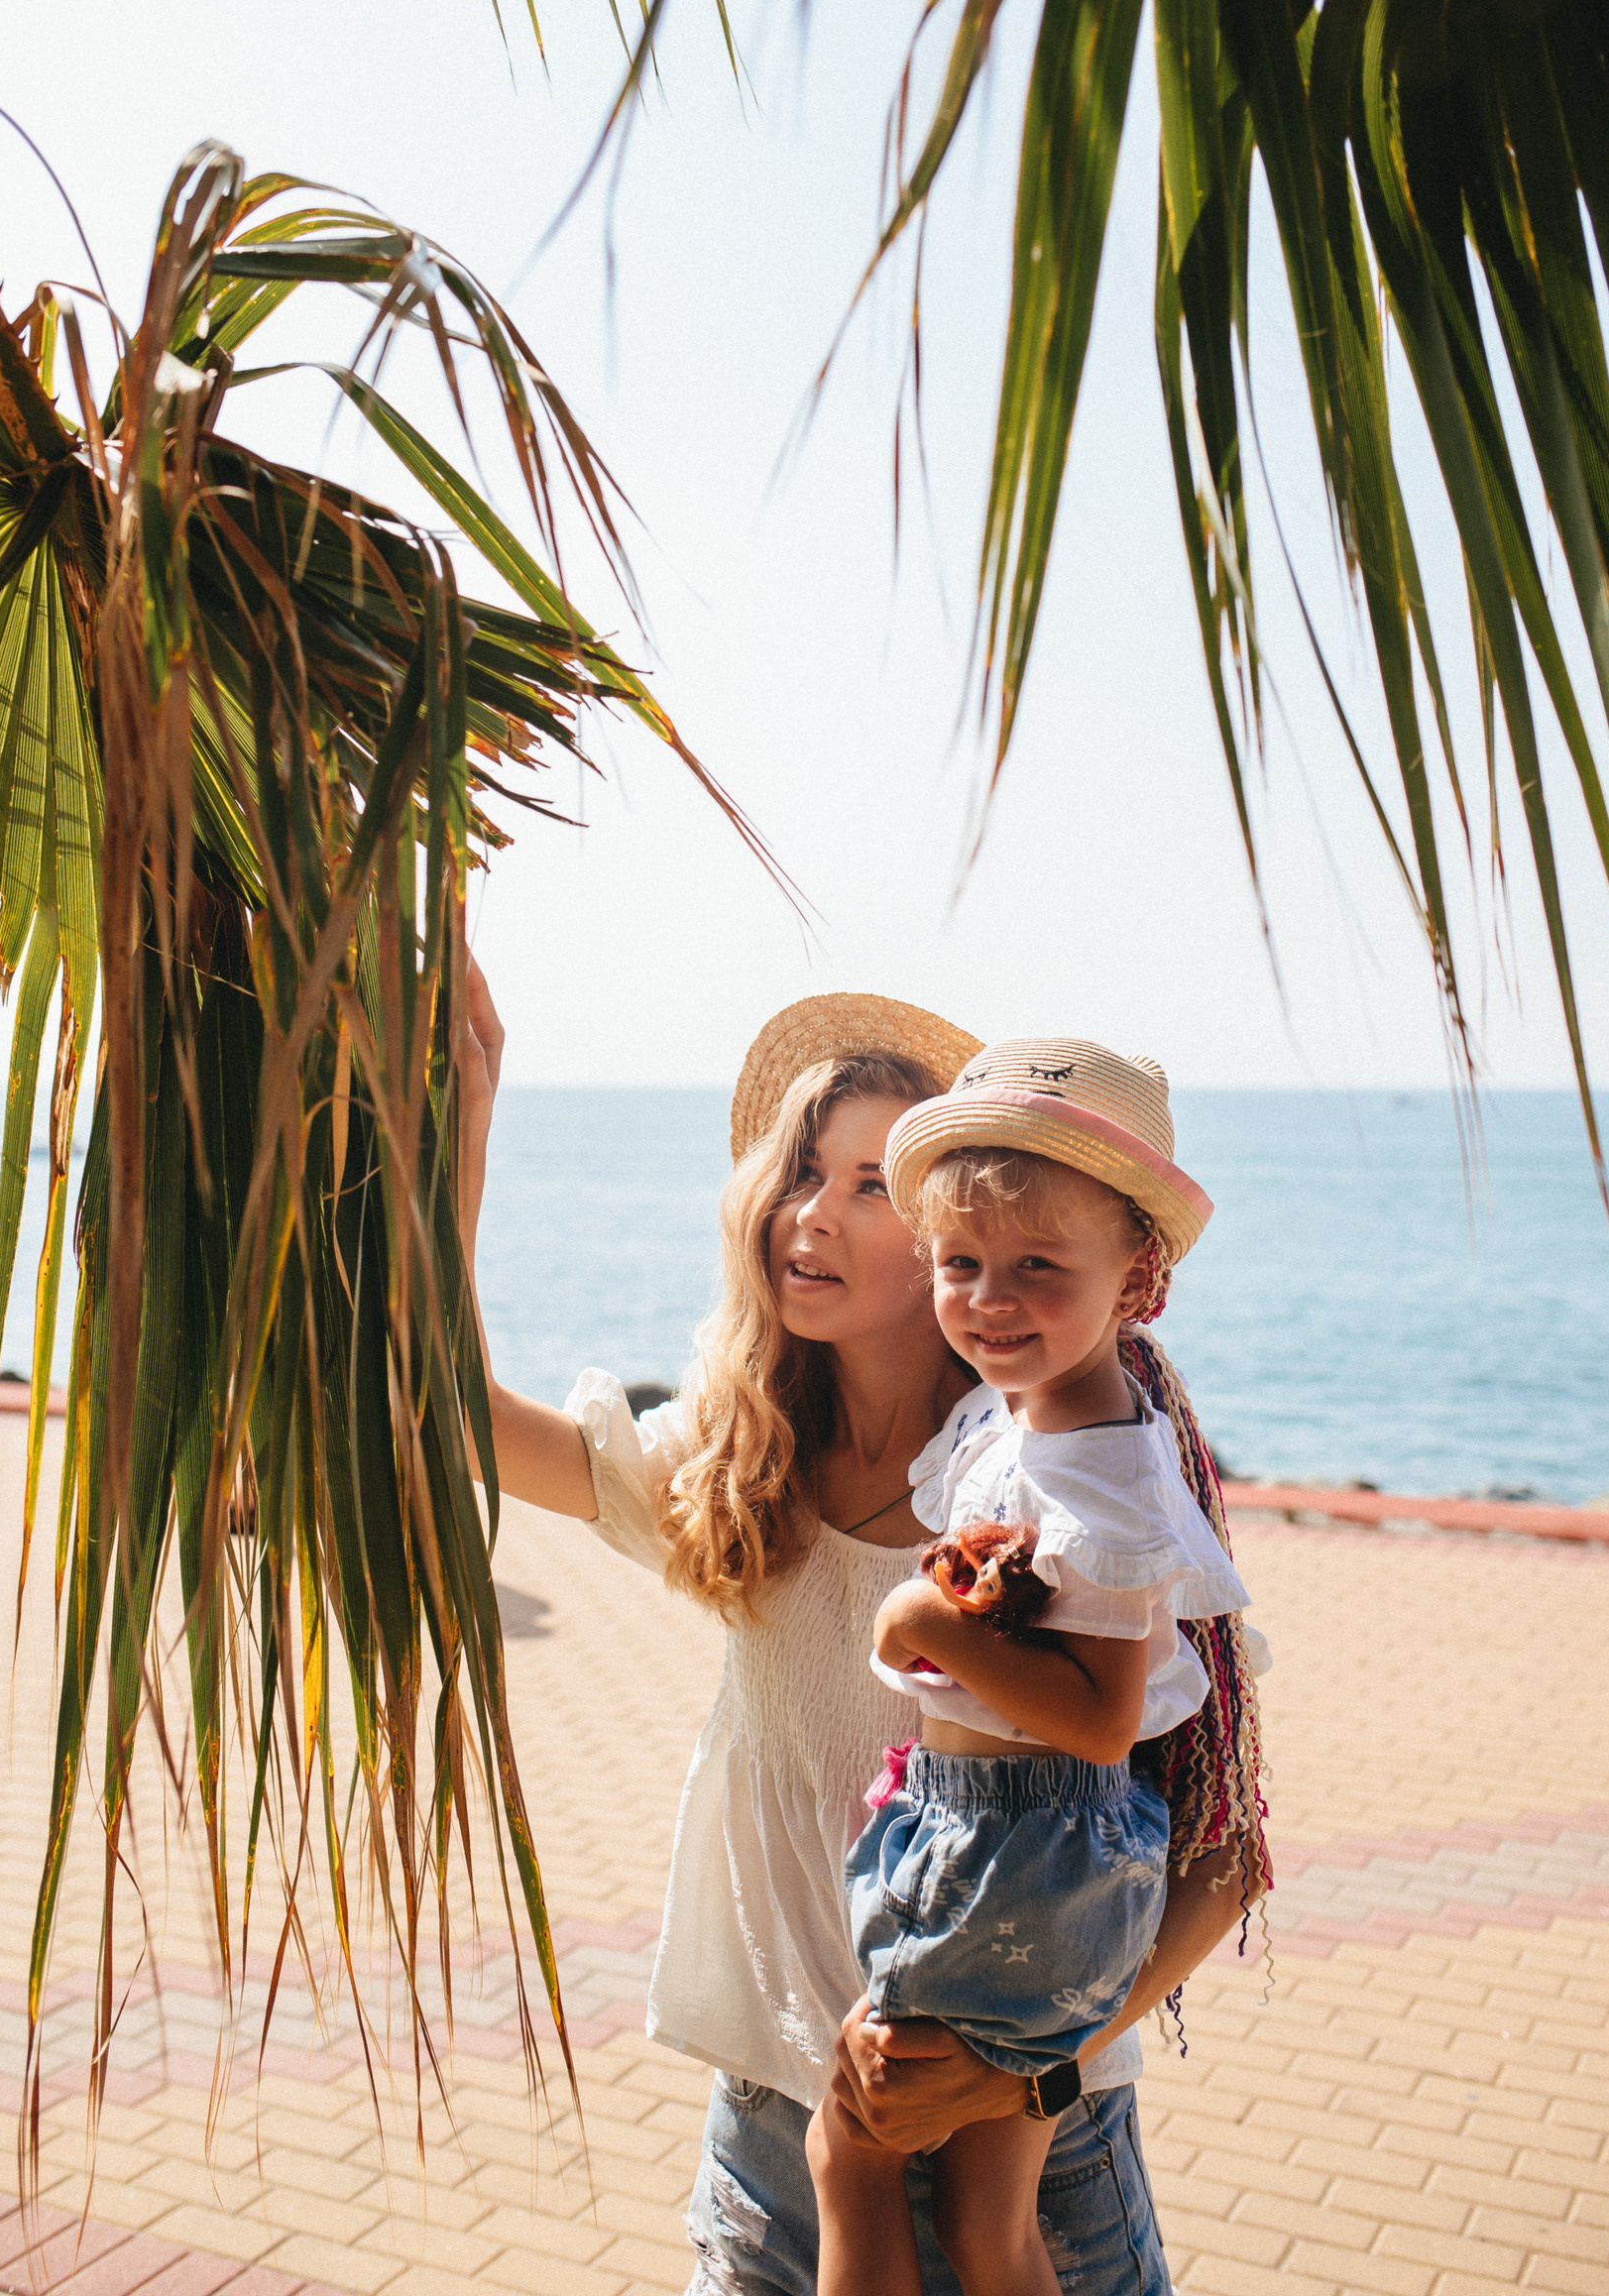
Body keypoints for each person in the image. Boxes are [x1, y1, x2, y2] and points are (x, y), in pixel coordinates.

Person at [453, 971, 1271, 2296]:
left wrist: (1029, 2062)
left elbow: (1222, 1851)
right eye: (799, 1174)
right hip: (777, 2151)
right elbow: (453, 1415)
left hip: (1034, 2151)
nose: (811, 1216)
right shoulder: (730, 1473)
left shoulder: (1059, 1487)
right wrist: (462, 1131)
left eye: (870, 1184)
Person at [805, 1038, 1249, 2296]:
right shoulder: (1030, 1420)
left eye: (1036, 1268)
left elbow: (1107, 1721)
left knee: (851, 2151)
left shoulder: (1105, 1472)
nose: (988, 1300)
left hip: (1020, 1853)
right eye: (959, 1264)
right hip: (1020, 1846)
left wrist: (930, 1629)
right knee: (984, 2227)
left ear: (1138, 1277)